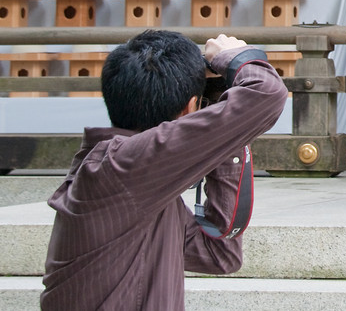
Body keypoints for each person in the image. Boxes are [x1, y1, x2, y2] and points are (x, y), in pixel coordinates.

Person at [41, 31, 287, 310]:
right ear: (190, 107)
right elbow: (266, 93)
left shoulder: (126, 175)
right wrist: (234, 59)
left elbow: (218, 254)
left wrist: (224, 135)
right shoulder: (124, 167)